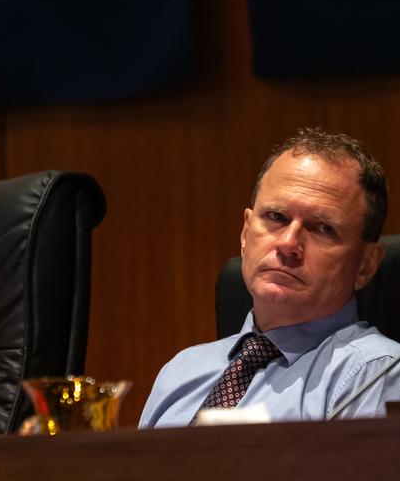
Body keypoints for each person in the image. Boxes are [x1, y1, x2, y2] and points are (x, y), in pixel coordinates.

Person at [140, 128, 400, 427]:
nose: (289, 243)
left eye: (322, 228)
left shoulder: (377, 374)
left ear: (366, 265)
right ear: (246, 232)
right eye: (276, 217)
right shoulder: (180, 373)